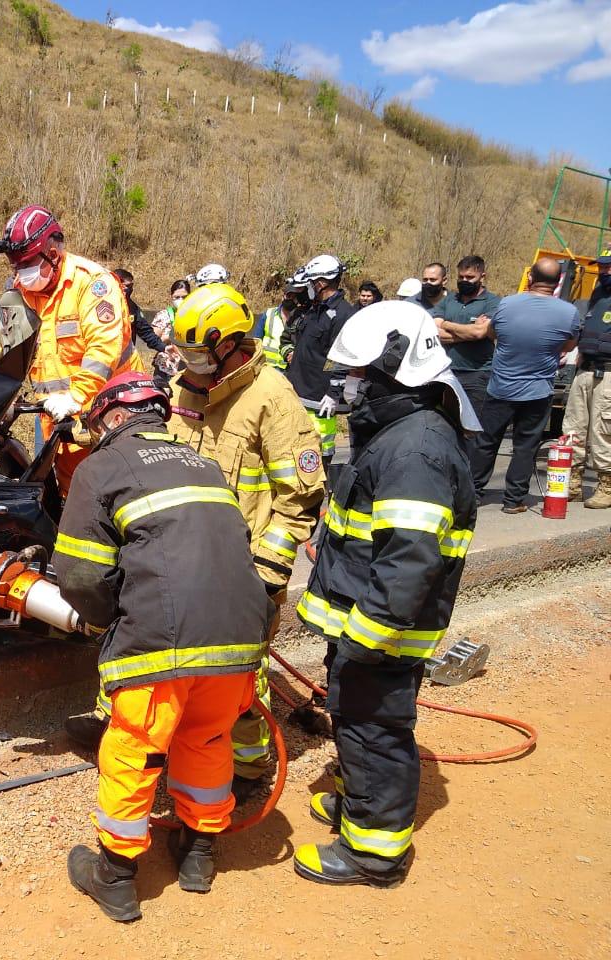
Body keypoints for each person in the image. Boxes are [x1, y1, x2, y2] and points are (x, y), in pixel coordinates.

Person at [55, 372, 271, 919]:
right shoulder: (206, 465)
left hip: (160, 644)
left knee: (134, 748)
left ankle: (116, 876)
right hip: (239, 641)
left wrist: (111, 620)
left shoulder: (100, 468)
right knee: (206, 739)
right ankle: (198, 855)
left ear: (112, 417)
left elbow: (80, 578)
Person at [293, 299, 479, 888]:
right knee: (354, 717)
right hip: (366, 621)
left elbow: (409, 561)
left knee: (374, 727)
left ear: (395, 372)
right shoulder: (400, 433)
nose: (350, 386)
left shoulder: (415, 450)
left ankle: (374, 853)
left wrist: (367, 639)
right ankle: (359, 804)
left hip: (382, 630)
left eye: (359, 375)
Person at [166, 282, 325, 794]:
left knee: (238, 683)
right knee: (185, 673)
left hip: (245, 574)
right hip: (186, 567)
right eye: (185, 354)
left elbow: (298, 498)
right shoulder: (183, 389)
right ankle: (193, 751)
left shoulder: (272, 399)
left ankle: (249, 769)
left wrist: (264, 576)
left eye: (200, 355)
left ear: (232, 346)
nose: (191, 367)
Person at [0, 204, 142, 494]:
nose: (20, 273)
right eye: (16, 266)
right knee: (73, 496)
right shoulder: (22, 292)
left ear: (53, 254)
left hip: (111, 416)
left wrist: (75, 396)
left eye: (26, 264)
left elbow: (103, 347)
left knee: (114, 494)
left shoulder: (93, 284)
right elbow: (0, 340)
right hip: (59, 420)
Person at [468, 258, 580, 512]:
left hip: (501, 387)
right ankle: (514, 500)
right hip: (538, 391)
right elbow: (568, 346)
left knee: (486, 442)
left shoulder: (507, 304)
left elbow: (494, 333)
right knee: (525, 446)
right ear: (557, 283)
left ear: (530, 278)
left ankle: (472, 493)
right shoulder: (568, 313)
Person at [284, 254, 356, 468]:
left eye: (310, 283)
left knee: (315, 460)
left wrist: (333, 394)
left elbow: (341, 357)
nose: (308, 288)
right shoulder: (315, 309)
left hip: (319, 401)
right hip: (298, 393)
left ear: (321, 283)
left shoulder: (343, 315)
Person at [563, 249, 611, 507]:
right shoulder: (598, 293)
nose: (604, 272)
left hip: (609, 374)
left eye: (609, 267)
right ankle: (573, 482)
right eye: (602, 267)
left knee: (604, 432)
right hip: (586, 369)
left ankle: (607, 484)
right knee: (574, 427)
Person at [433, 255, 502, 421]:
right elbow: (434, 331)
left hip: (477, 374)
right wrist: (469, 333)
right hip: (448, 371)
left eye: (470, 277)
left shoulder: (492, 302)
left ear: (482, 277)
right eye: (461, 277)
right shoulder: (449, 299)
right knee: (447, 422)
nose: (465, 280)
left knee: (473, 425)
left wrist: (447, 324)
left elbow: (480, 333)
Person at [254, 278, 304, 371]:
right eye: (289, 295)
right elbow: (256, 342)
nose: (292, 299)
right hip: (266, 368)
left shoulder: (302, 318)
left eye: (295, 297)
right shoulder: (268, 314)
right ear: (283, 296)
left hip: (289, 370)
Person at [150, 278, 191, 386]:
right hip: (166, 365)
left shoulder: (195, 315)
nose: (180, 300)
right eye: (177, 297)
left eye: (184, 297)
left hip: (188, 366)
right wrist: (170, 336)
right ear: (171, 297)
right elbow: (153, 339)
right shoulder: (164, 315)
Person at [112, 268, 163, 355]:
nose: (127, 289)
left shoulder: (133, 308)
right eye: (124, 285)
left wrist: (164, 347)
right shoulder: (98, 305)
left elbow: (146, 332)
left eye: (130, 286)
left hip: (125, 359)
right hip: (102, 357)